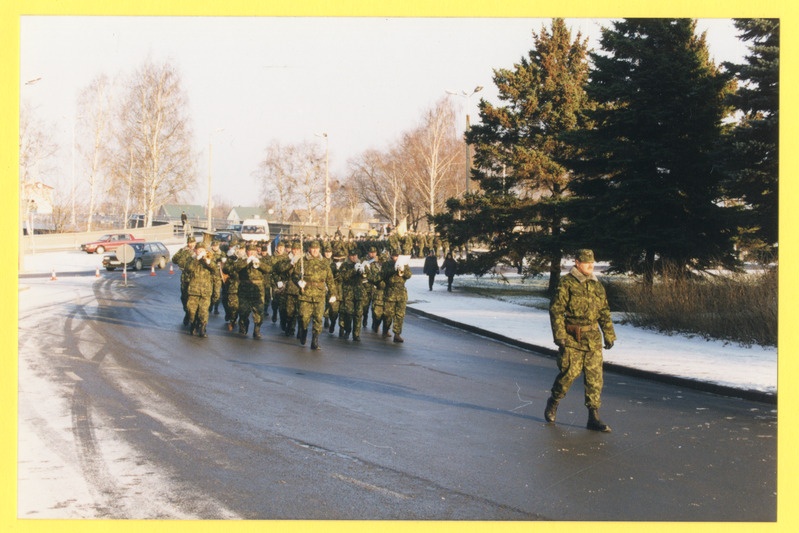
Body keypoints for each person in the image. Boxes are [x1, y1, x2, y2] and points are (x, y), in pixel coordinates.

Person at [545, 249, 616, 432]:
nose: (590, 266)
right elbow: (557, 310)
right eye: (586, 263)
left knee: (595, 379)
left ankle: (593, 417)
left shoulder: (596, 285)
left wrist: (609, 334)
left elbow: (604, 312)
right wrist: (559, 335)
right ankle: (554, 401)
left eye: (592, 263)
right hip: (572, 338)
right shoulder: (566, 283)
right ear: (577, 263)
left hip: (592, 339)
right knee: (569, 374)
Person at [295, 240, 334, 350]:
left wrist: (333, 293)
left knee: (318, 318)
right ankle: (303, 331)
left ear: (319, 250)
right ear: (309, 249)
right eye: (312, 248)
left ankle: (315, 340)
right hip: (306, 294)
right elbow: (295, 275)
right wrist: (298, 282)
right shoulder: (303, 261)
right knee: (303, 317)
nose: (315, 250)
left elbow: (330, 279)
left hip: (319, 294)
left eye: (316, 249)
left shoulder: (324, 263)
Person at [232, 242, 272, 339]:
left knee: (259, 312)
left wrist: (259, 264)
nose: (252, 253)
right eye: (250, 251)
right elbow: (235, 268)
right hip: (244, 290)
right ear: (247, 252)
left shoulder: (261, 260)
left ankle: (257, 330)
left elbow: (268, 269)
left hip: (257, 290)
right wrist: (246, 261)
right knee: (243, 311)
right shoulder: (242, 260)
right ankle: (244, 323)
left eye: (254, 251)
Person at [185, 242, 217, 337]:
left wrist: (208, 262)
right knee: (191, 311)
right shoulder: (191, 259)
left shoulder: (209, 258)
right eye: (198, 250)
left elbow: (215, 269)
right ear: (195, 251)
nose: (200, 252)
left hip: (205, 291)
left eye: (202, 250)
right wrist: (196, 259)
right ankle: (193, 324)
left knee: (203, 311)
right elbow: (188, 269)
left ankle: (202, 329)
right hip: (193, 291)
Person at [380, 249, 412, 343]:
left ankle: (397, 334)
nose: (396, 258)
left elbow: (409, 275)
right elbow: (383, 275)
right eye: (394, 256)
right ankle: (386, 329)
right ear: (391, 256)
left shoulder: (404, 264)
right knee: (388, 314)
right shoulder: (387, 264)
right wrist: (393, 269)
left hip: (401, 292)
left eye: (398, 256)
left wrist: (403, 270)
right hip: (390, 292)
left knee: (400, 315)